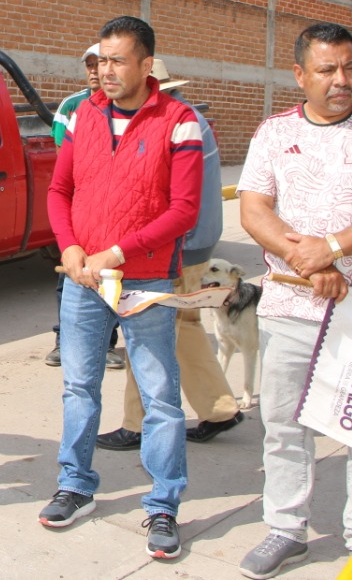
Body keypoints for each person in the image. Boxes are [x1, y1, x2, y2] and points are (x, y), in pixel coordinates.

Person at [237, 23, 352, 580]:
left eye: (349, 68)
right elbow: (254, 211)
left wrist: (333, 249)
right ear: (300, 75)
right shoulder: (274, 133)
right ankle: (285, 528)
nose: (341, 80)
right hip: (290, 306)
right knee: (284, 426)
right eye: (327, 70)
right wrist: (307, 261)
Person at [40, 15, 203, 561]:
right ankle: (76, 485)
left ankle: (162, 505)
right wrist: (68, 247)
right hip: (83, 280)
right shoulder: (83, 116)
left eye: (117, 61)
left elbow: (184, 210)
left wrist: (118, 253)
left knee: (160, 398)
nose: (105, 71)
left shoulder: (179, 122)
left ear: (146, 65)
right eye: (100, 60)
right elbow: (60, 188)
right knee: (79, 388)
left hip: (146, 279)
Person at [96, 58, 244, 452]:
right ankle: (220, 409)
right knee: (185, 328)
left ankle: (136, 423)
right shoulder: (189, 115)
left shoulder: (174, 121)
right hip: (197, 242)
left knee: (146, 332)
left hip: (177, 246)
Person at [46, 43, 122, 371]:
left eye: (100, 63)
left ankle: (105, 344)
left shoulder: (125, 106)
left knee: (112, 280)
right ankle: (64, 341)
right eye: (89, 65)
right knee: (72, 278)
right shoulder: (72, 106)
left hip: (115, 212)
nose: (94, 71)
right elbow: (70, 161)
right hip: (80, 211)